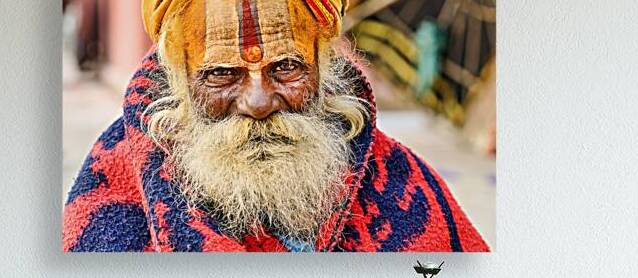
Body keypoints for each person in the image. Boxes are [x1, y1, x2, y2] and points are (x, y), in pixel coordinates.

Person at [63, 0, 490, 252]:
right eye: (221, 73)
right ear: (178, 78)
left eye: (286, 67)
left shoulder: (402, 184)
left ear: (325, 68)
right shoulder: (111, 187)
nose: (258, 102)